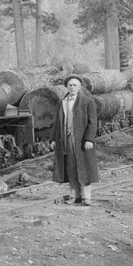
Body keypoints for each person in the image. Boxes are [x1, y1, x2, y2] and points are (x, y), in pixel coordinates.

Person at [50, 74, 99, 206]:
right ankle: (74, 196)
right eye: (70, 85)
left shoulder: (88, 101)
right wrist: (53, 139)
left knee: (84, 167)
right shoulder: (63, 102)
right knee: (70, 167)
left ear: (80, 87)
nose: (72, 87)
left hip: (82, 140)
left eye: (75, 85)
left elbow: (93, 122)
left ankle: (86, 197)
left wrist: (89, 139)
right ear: (66, 87)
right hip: (66, 139)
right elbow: (57, 123)